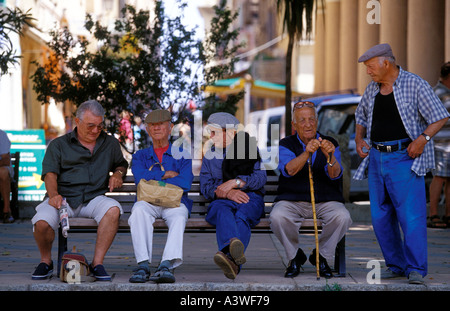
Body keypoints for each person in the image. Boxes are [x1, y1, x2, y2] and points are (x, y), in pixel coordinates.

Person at [354, 43, 450, 284]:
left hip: (404, 157)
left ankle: (416, 268)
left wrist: (422, 139)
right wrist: (358, 138)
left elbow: (440, 115)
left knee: (411, 216)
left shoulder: (414, 83)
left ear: (386, 63)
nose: (368, 71)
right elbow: (360, 116)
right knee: (380, 217)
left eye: (370, 66)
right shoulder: (372, 89)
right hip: (376, 158)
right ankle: (395, 265)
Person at [31, 100, 128, 281]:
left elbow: (121, 164)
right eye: (90, 126)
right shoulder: (59, 145)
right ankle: (46, 261)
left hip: (93, 198)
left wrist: (118, 173)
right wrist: (53, 196)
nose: (95, 131)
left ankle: (97, 263)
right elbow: (50, 174)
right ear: (77, 121)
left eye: (99, 126)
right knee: (42, 223)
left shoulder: (110, 144)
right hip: (62, 198)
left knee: (113, 210)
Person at [270, 102, 352, 279]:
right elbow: (289, 170)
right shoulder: (286, 144)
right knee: (277, 216)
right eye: (302, 120)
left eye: (311, 119)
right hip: (292, 200)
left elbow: (335, 174)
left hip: (326, 200)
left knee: (342, 217)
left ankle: (321, 256)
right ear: (294, 125)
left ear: (317, 121)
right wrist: (306, 153)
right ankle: (294, 257)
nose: (308, 124)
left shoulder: (331, 143)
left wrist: (330, 156)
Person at [128, 109, 193, 283]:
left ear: (170, 127)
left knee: (180, 215)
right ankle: (143, 265)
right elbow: (139, 178)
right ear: (148, 130)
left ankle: (166, 265)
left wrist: (154, 179)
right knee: (138, 211)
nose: (156, 128)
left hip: (175, 202)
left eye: (161, 124)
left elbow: (186, 182)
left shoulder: (182, 154)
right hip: (148, 201)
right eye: (152, 125)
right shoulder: (140, 156)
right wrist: (165, 175)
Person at [200, 112, 267, 280]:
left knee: (242, 215)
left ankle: (228, 256)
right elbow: (206, 186)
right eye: (210, 132)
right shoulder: (210, 155)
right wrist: (228, 192)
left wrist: (237, 183)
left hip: (249, 198)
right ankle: (233, 258)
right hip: (222, 200)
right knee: (222, 211)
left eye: (215, 132)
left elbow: (261, 178)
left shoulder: (249, 148)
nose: (211, 136)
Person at [428, 62, 450, 228]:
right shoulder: (439, 93)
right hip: (440, 143)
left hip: (447, 143)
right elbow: (437, 119)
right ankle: (433, 214)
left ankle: (448, 215)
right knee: (440, 177)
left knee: (448, 179)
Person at [0, 129, 14, 223]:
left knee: (3, 172)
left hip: (1, 167)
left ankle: (6, 210)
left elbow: (6, 160)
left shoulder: (1, 135)